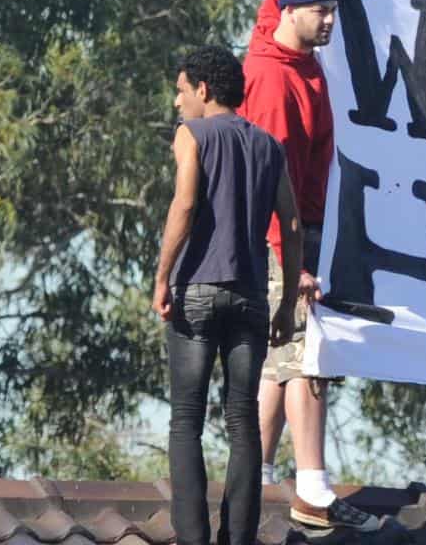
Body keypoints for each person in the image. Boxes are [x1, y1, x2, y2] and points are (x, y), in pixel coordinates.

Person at [240, 0, 379, 531]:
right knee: (308, 358)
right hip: (282, 238)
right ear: (292, 14)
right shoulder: (273, 78)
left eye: (332, 10)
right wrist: (292, 263)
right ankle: (312, 491)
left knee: (281, 361)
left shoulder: (295, 54)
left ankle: (250, 484)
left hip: (303, 234)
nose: (328, 20)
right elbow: (271, 182)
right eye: (318, 9)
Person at [152, 45, 301, 545]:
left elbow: (186, 203)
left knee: (186, 418)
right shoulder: (268, 145)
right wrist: (283, 305)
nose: (177, 103)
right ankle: (237, 537)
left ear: (203, 89)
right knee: (243, 421)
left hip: (196, 289)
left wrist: (161, 277)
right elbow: (294, 225)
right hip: (252, 297)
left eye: (180, 90)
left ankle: (192, 537)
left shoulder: (191, 134)